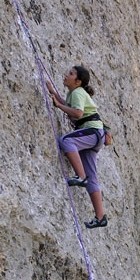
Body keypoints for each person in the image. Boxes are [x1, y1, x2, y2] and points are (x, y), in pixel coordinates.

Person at [46, 65, 108, 229]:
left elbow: (78, 113)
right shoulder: (74, 93)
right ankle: (100, 216)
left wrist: (58, 106)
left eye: (71, 74)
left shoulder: (78, 92)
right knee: (92, 177)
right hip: (96, 135)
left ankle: (80, 176)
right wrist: (53, 92)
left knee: (66, 141)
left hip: (92, 131)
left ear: (78, 81)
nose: (66, 75)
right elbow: (69, 106)